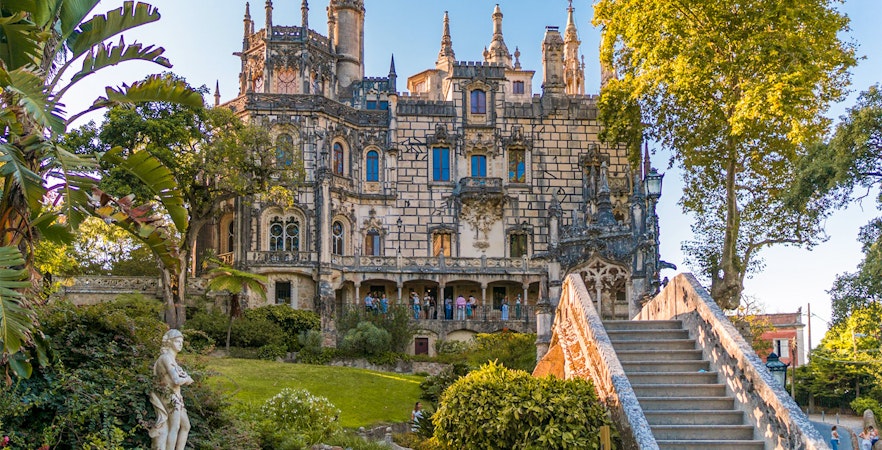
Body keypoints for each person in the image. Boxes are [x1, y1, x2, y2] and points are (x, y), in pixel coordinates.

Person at [149, 329, 194, 450]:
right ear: (169, 343)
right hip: (169, 396)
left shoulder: (172, 359)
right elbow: (176, 380)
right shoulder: (166, 358)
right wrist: (187, 379)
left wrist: (185, 377)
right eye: (177, 341)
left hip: (177, 397)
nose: (181, 344)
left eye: (182, 341)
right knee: (175, 427)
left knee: (185, 426)